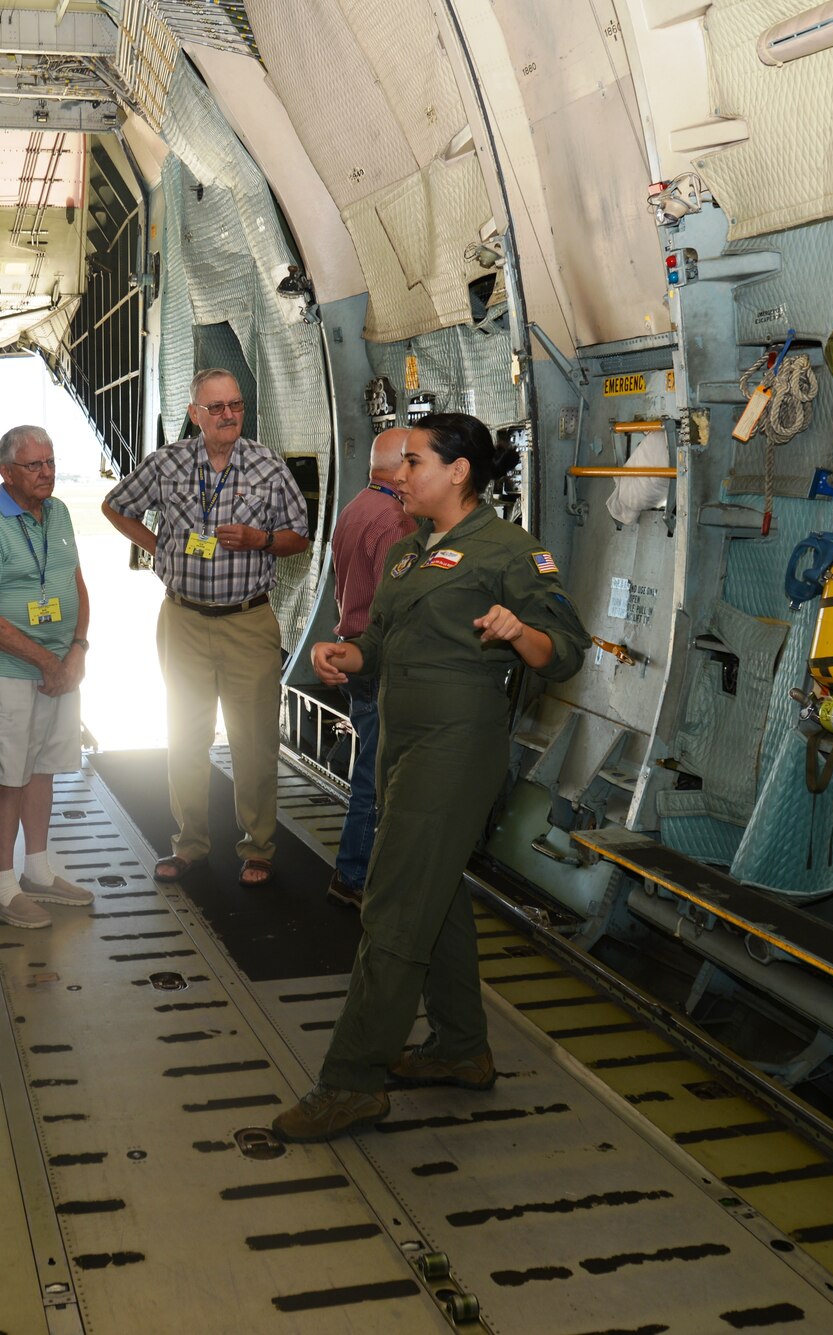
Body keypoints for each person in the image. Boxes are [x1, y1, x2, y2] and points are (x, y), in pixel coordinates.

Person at [270, 413, 588, 1143]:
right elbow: (379, 642)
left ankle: (352, 1081)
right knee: (434, 894)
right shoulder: (410, 553)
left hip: (456, 746)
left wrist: (520, 633)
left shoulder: (509, 551)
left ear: (459, 472)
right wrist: (348, 656)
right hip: (403, 742)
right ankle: (459, 1047)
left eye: (414, 462)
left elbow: (564, 648)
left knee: (392, 903)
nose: (400, 475)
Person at [101, 369, 310, 888]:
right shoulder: (168, 463)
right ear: (195, 413)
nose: (227, 416)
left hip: (247, 621)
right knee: (185, 737)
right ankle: (189, 844)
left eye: (235, 405)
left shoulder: (267, 465)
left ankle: (258, 847)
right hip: (184, 620)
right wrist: (159, 549)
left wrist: (261, 539)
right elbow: (116, 506)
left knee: (254, 742)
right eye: (215, 407)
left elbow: (298, 538)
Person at [0, 425, 97, 929]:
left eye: (50, 462)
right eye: (34, 466)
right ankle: (3, 886)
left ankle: (38, 871)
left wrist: (78, 651)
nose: (46, 473)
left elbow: (77, 585)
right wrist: (48, 662)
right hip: (13, 676)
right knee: (10, 777)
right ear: (6, 471)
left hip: (62, 672)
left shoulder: (58, 512)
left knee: (43, 770)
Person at [325, 428, 415, 910]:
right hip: (378, 661)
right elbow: (395, 605)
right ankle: (355, 875)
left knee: (370, 764)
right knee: (377, 776)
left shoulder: (357, 506)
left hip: (354, 650)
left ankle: (356, 871)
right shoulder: (395, 521)